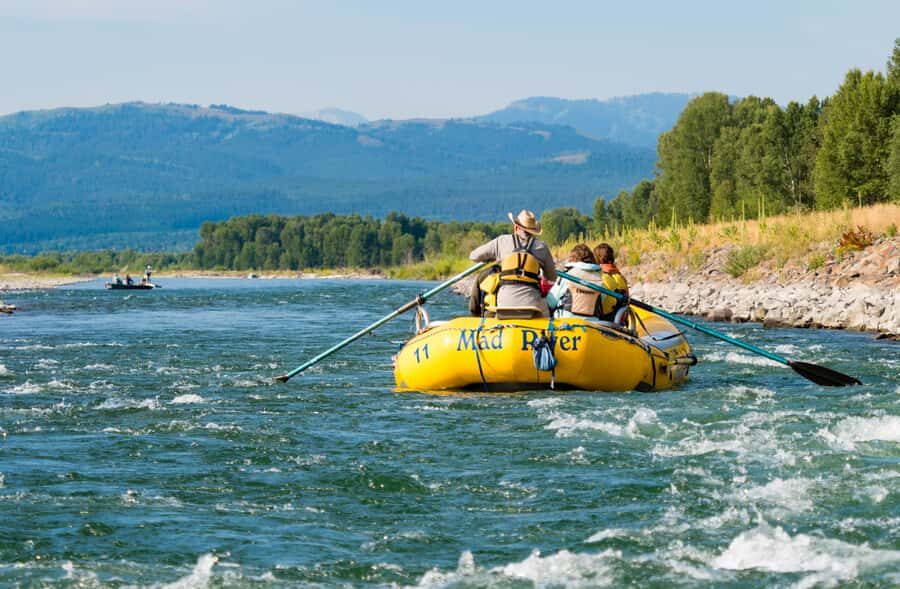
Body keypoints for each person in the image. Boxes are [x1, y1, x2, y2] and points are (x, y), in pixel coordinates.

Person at [469, 210, 557, 317]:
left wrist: (494, 257)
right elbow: (551, 277)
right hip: (533, 305)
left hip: (503, 303)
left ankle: (476, 316)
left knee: (483, 279)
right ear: (533, 231)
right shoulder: (541, 247)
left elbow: (473, 256)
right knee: (548, 313)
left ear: (515, 227)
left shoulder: (501, 241)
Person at [546, 244, 605, 318]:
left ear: (572, 258)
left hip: (565, 322)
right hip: (592, 324)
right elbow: (602, 300)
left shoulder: (567, 276)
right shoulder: (599, 278)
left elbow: (551, 302)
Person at [593, 243, 630, 322]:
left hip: (604, 321)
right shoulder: (620, 277)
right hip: (620, 321)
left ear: (597, 258)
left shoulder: (599, 276)